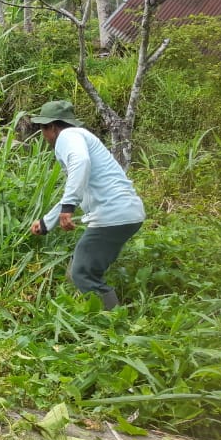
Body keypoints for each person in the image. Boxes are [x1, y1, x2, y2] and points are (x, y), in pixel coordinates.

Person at [28, 100, 145, 310]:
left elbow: (80, 163)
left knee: (82, 272)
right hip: (125, 212)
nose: (43, 136)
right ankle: (82, 313)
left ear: (52, 127)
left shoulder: (68, 137)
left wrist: (68, 208)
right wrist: (48, 222)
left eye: (42, 128)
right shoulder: (80, 137)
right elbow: (77, 187)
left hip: (113, 215)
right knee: (77, 267)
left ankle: (113, 323)